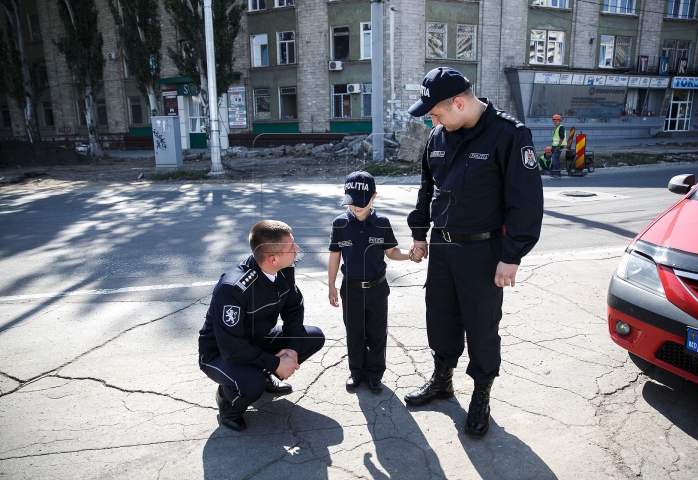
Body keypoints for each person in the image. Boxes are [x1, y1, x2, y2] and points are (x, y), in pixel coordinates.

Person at [405, 67, 543, 438]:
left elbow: (525, 203)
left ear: (460, 103)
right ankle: (442, 380)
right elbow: (426, 189)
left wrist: (512, 255)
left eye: (436, 113)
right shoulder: (439, 135)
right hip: (442, 249)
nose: (432, 120)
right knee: (441, 318)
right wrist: (419, 234)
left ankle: (481, 394)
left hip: (483, 252)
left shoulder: (509, 135)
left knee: (482, 327)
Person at [198, 220, 325, 431]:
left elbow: (294, 310)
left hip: (257, 341)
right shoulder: (233, 288)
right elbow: (232, 348)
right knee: (251, 382)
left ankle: (260, 374)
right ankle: (228, 401)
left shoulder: (283, 271)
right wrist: (275, 364)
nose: (297, 249)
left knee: (313, 337)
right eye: (291, 247)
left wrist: (291, 350)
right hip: (219, 354)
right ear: (273, 258)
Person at [328, 171, 411, 393]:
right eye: (351, 203)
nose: (355, 208)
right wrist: (331, 286)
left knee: (376, 332)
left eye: (361, 204)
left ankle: (375, 373)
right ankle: (356, 372)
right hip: (351, 288)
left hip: (377, 288)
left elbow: (392, 252)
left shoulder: (382, 223)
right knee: (354, 331)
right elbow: (335, 256)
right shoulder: (339, 224)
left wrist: (409, 255)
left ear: (373, 197)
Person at [551, 114, 566, 178]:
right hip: (555, 146)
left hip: (558, 146)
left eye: (556, 121)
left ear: (559, 121)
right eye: (554, 121)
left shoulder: (561, 127)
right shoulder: (557, 128)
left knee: (555, 160)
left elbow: (562, 137)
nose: (555, 122)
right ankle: (556, 172)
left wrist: (558, 146)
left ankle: (557, 173)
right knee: (555, 159)